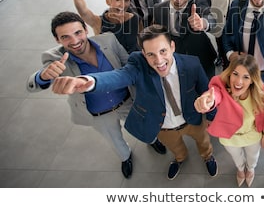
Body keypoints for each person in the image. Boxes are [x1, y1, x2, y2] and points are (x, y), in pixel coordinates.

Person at [51, 24, 218, 181]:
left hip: (193, 120)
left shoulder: (192, 63)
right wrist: (89, 81)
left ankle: (207, 156)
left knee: (204, 143)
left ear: (172, 47)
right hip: (163, 126)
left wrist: (211, 115)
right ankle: (180, 158)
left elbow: (206, 91)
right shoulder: (138, 64)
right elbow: (119, 76)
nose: (159, 61)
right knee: (176, 148)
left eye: (163, 51)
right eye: (151, 54)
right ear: (144, 54)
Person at [26, 12, 166, 180]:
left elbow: (127, 63)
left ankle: (152, 141)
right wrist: (43, 76)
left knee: (144, 126)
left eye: (78, 33)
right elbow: (33, 85)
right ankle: (126, 157)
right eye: (65, 37)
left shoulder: (108, 40)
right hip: (98, 114)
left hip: (127, 101)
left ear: (86, 29)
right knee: (114, 139)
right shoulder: (54, 58)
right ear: (58, 40)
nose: (75, 41)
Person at [194, 54, 264, 187]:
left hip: (252, 135)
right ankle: (240, 170)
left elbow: (263, 113)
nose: (239, 81)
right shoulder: (221, 86)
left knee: (253, 157)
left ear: (252, 80)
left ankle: (250, 170)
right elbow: (214, 94)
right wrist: (208, 100)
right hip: (230, 137)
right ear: (230, 74)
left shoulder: (261, 90)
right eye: (235, 74)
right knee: (237, 157)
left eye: (246, 77)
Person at [153, 0, 218, 79]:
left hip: (201, 61)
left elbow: (211, 18)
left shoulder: (198, 3)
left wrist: (203, 23)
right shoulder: (159, 9)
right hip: (175, 63)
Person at [64, 0, 141, 53]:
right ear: (108, 1)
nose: (123, 4)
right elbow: (84, 12)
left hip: (136, 61)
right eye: (118, 0)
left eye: (126, 0)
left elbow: (143, 42)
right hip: (114, 63)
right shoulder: (98, 22)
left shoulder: (135, 19)